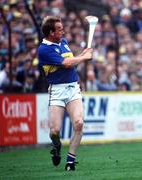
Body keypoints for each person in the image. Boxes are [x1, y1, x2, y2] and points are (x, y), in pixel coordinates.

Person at [37, 16, 93, 171]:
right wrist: (84, 57)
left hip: (72, 88)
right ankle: (57, 146)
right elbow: (67, 63)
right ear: (50, 32)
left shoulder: (63, 42)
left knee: (79, 123)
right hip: (56, 90)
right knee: (54, 131)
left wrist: (83, 54)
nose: (63, 31)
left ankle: (70, 160)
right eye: (59, 29)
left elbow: (71, 59)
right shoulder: (44, 50)